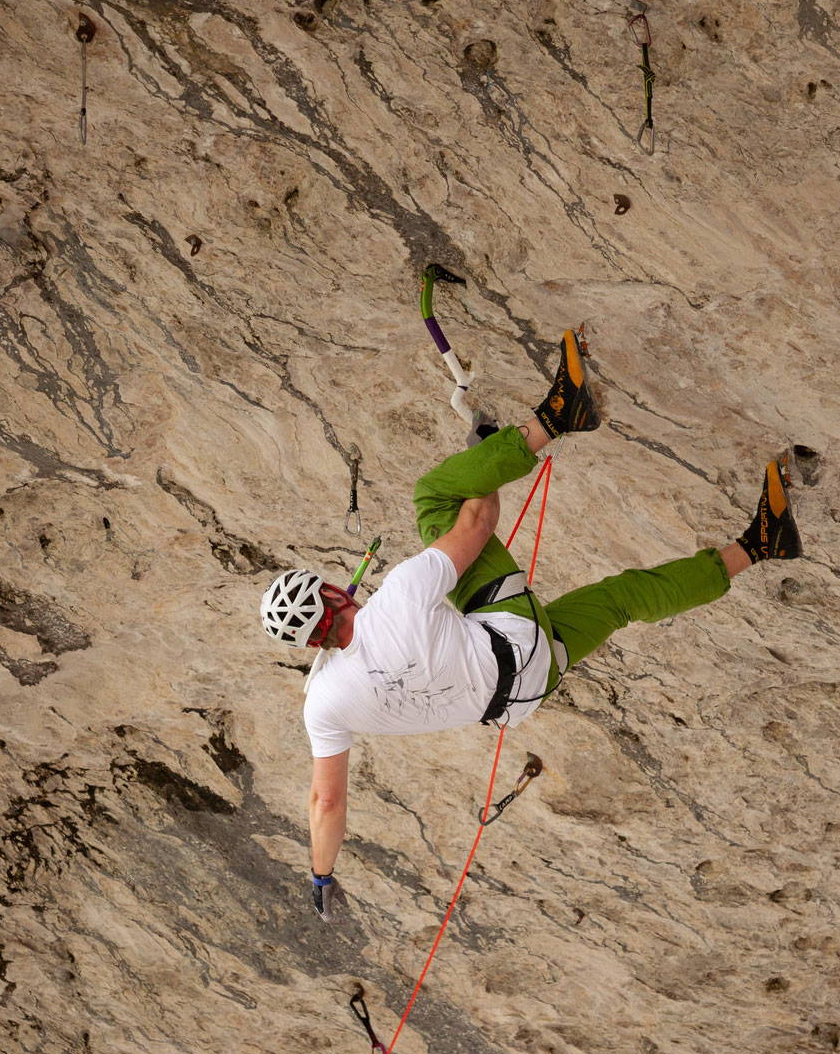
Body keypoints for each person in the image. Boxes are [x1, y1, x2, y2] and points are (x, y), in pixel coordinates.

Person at [259, 330, 804, 919]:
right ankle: (560, 413)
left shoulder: (324, 703)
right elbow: (479, 519)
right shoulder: (397, 597)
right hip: (513, 633)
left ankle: (761, 545)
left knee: (620, 599)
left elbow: (325, 801)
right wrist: (484, 458)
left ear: (309, 643)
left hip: (527, 689)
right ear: (335, 591)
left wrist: (322, 876)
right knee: (437, 497)